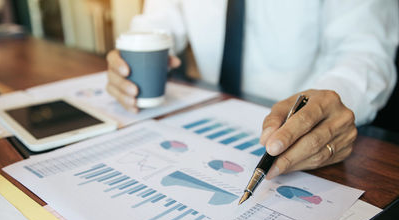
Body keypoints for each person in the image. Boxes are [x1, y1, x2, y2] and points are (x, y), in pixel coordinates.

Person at [106, 0, 399, 179]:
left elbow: (365, 50)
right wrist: (129, 62)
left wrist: (332, 105)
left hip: (299, 133)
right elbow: (159, 23)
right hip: (215, 116)